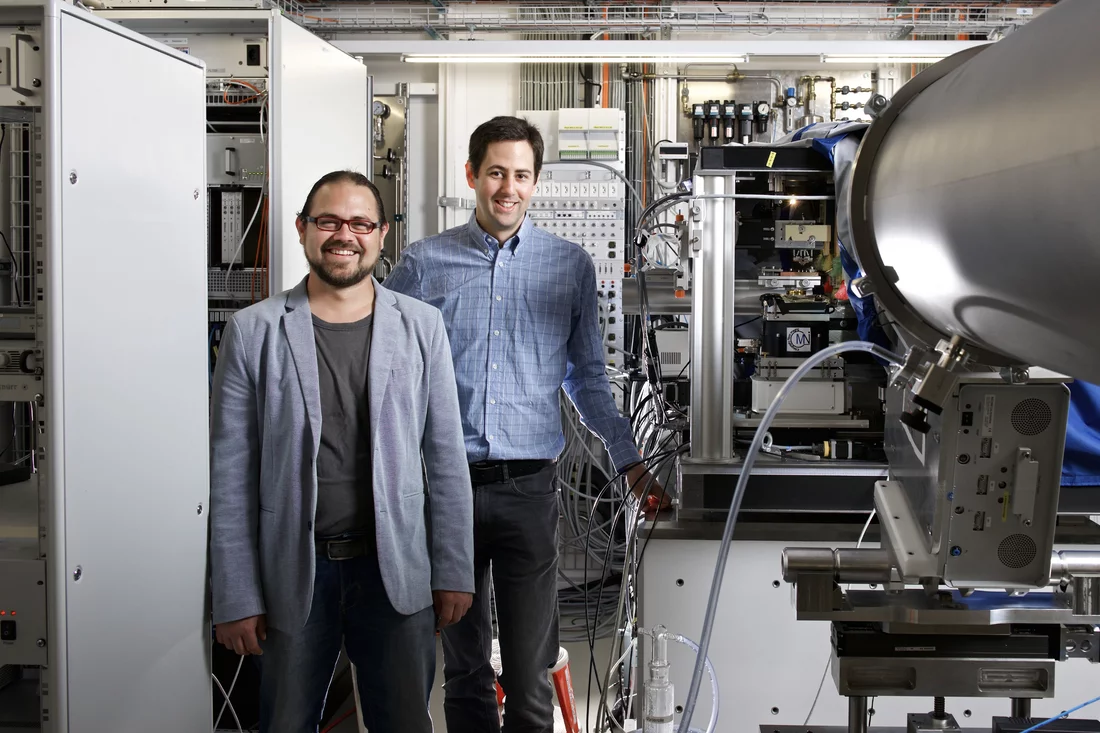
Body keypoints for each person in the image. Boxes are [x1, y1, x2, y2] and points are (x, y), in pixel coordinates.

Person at [385, 117, 662, 733]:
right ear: (472, 176)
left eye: (521, 176)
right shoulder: (425, 266)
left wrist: (629, 461)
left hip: (529, 490)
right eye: (495, 173)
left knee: (531, 670)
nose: (508, 188)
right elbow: (388, 377)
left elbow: (587, 378)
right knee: (464, 671)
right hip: (447, 490)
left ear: (535, 182)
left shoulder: (569, 267)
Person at [209, 170, 474, 733]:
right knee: (285, 721)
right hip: (293, 569)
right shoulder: (252, 332)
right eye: (328, 221)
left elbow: (447, 458)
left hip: (395, 569)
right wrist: (234, 595)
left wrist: (453, 568)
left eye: (360, 223)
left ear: (381, 236)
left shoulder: (421, 326)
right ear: (303, 230)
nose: (343, 234)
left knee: (403, 722)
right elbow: (230, 476)